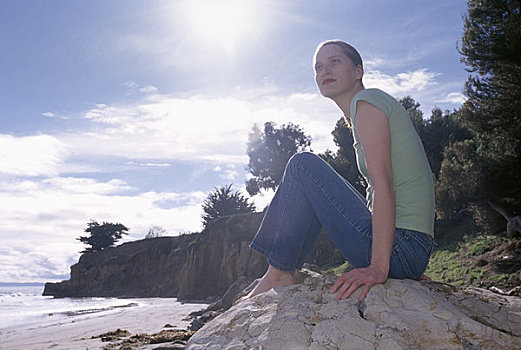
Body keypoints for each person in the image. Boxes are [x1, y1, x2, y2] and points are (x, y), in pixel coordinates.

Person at [242, 39, 436, 303]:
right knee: (310, 178)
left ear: (358, 71)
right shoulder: (364, 111)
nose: (324, 71)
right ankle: (277, 271)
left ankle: (279, 273)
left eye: (334, 62)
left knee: (303, 166)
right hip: (408, 251)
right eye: (318, 67)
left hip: (401, 249)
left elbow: (383, 186)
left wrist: (380, 268)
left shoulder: (367, 104)